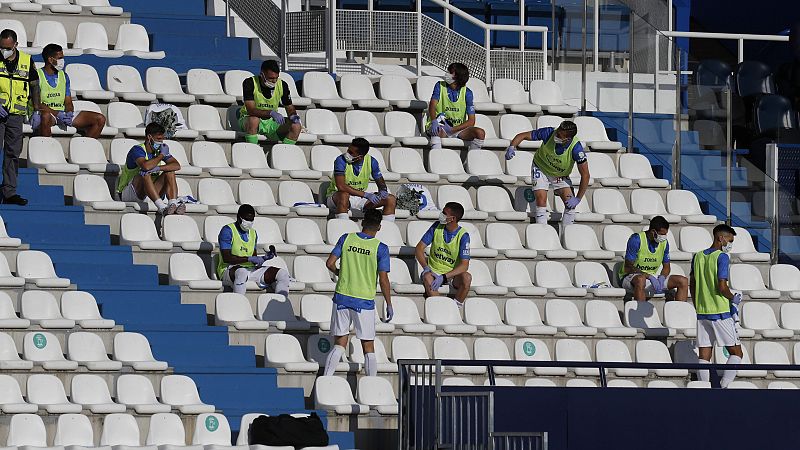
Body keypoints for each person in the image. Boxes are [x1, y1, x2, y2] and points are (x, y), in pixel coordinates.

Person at [323, 209, 392, 377]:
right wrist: (389, 303)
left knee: (339, 344)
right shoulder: (380, 248)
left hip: (342, 296)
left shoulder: (346, 238)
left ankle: (326, 379)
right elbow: (383, 279)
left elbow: (330, 263)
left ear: (362, 222)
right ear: (379, 227)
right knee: (368, 346)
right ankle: (373, 386)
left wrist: (340, 273)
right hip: (364, 301)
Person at [505, 121, 589, 227]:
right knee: (541, 199)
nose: (556, 135)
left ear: (567, 139)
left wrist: (578, 198)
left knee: (570, 205)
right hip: (541, 168)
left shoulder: (576, 149)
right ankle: (542, 232)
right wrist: (512, 146)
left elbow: (585, 175)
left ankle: (567, 237)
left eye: (559, 135)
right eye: (557, 131)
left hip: (560, 176)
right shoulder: (549, 133)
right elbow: (523, 135)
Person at [690, 224, 743, 388]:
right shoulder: (722, 257)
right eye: (730, 240)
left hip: (702, 312)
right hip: (720, 312)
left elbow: (693, 283)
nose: (730, 244)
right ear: (721, 238)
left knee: (704, 354)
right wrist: (733, 298)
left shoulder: (697, 256)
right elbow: (722, 286)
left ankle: (704, 388)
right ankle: (725, 386)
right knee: (737, 353)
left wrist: (697, 303)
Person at [30, 43, 106, 139]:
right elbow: (37, 104)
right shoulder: (37, 76)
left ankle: (85, 149)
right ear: (50, 59)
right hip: (48, 113)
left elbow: (68, 101)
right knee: (45, 117)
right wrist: (58, 114)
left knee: (100, 119)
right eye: (60, 58)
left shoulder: (64, 76)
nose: (63, 61)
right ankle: (47, 148)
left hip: (62, 113)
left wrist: (69, 113)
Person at [217, 204, 292, 298]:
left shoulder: (253, 233)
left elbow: (254, 259)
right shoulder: (227, 231)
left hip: (250, 270)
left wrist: (264, 258)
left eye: (251, 219)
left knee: (282, 273)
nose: (249, 222)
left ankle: (281, 305)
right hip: (229, 270)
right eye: (246, 219)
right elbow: (226, 258)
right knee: (242, 272)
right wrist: (249, 259)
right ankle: (239, 304)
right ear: (238, 217)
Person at [115, 122, 184, 215]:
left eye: (162, 139)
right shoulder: (137, 150)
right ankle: (162, 207)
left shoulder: (159, 150)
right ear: (149, 137)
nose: (161, 142)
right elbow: (145, 166)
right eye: (159, 139)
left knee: (170, 171)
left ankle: (173, 204)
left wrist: (158, 168)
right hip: (130, 193)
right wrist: (161, 155)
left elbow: (176, 165)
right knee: (144, 173)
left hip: (150, 193)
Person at [0, 28, 36, 205]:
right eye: (1, 47)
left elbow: (34, 86)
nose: (3, 50)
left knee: (13, 153)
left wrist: (35, 109)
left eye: (7, 47)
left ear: (15, 45)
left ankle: (9, 192)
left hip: (16, 115)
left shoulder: (26, 61)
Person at [618, 216, 689, 302]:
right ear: (653, 232)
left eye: (665, 234)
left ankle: (681, 313)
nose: (664, 237)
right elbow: (628, 267)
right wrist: (648, 276)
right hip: (630, 277)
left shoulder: (664, 243)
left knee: (683, 281)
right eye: (662, 234)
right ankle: (639, 312)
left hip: (651, 277)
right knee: (641, 280)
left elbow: (666, 267)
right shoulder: (636, 239)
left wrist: (662, 277)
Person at [325, 137, 397, 222]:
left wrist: (383, 190)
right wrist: (366, 195)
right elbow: (341, 186)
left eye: (351, 152)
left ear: (360, 157)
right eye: (348, 150)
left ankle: (386, 231)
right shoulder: (340, 160)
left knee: (391, 199)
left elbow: (380, 181)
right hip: (336, 196)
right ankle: (342, 227)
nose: (347, 154)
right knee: (343, 195)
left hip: (359, 198)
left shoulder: (372, 161)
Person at [415, 202, 471, 305]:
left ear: (452, 218)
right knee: (427, 277)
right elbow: (419, 248)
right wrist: (426, 268)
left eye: (444, 213)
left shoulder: (463, 235)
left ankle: (456, 307)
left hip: (451, 276)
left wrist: (444, 277)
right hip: (432, 272)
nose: (441, 214)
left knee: (467, 278)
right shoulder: (437, 226)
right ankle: (440, 308)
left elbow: (464, 265)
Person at [239, 59, 301, 145]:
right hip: (249, 119)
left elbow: (290, 108)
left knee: (296, 126)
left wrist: (293, 115)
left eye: (276, 78)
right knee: (254, 120)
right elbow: (251, 110)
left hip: (271, 122)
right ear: (262, 75)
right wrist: (271, 113)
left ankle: (284, 154)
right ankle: (253, 152)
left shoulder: (282, 85)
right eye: (271, 78)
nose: (274, 81)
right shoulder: (250, 83)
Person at [426, 62, 485, 150]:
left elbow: (471, 121)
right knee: (438, 131)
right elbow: (432, 105)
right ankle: (436, 158)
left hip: (457, 128)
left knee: (480, 133)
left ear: (457, 76)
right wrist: (434, 120)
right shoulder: (439, 86)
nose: (447, 74)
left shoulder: (467, 93)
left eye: (450, 72)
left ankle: (472, 159)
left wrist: (452, 129)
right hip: (440, 123)